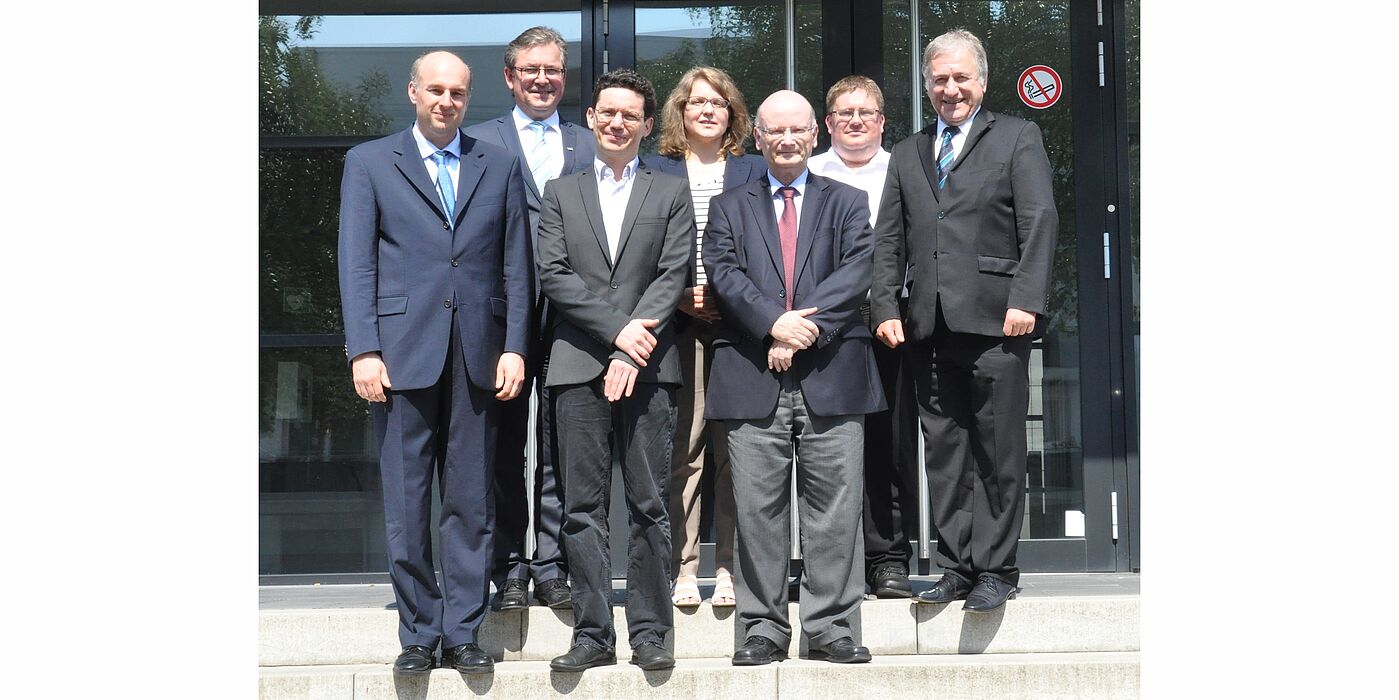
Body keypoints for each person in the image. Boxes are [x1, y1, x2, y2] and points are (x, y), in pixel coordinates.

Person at [337, 50, 531, 675]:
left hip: (479, 354)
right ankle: (418, 632)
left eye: (458, 92)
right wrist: (363, 349)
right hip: (399, 356)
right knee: (408, 498)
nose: (447, 101)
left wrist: (515, 345)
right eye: (436, 91)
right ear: (413, 93)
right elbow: (356, 262)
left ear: (469, 99)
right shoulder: (368, 162)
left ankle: (463, 630)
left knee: (472, 501)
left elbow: (516, 264)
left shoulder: (497, 164)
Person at [871, 29, 1057, 613]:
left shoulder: (1018, 137)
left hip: (999, 323)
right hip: (927, 325)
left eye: (960, 78)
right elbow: (887, 240)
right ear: (927, 86)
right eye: (939, 80)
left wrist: (1026, 299)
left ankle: (997, 568)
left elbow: (1040, 220)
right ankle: (956, 566)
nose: (950, 89)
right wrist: (884, 306)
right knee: (944, 453)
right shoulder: (908, 152)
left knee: (997, 451)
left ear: (981, 80)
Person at [703, 90, 884, 667]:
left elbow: (859, 270)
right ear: (758, 137)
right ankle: (762, 628)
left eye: (797, 131)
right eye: (774, 131)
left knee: (835, 507)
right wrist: (772, 326)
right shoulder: (728, 206)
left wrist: (801, 331)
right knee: (757, 510)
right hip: (753, 372)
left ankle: (830, 627)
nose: (786, 140)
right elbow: (724, 274)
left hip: (832, 372)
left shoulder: (849, 202)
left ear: (815, 135)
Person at [536, 69, 693, 673]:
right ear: (592, 118)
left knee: (652, 503)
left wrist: (632, 348)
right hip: (578, 365)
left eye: (630, 114)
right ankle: (594, 633)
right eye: (607, 112)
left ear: (648, 125)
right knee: (582, 506)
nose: (617, 122)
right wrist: (615, 332)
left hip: (650, 367)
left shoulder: (670, 189)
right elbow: (555, 274)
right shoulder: (561, 190)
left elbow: (673, 272)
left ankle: (651, 632)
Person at [464, 25, 596, 613]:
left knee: (560, 439)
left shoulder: (589, 142)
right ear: (510, 77)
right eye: (531, 70)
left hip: (573, 312)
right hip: (501, 311)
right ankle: (507, 566)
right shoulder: (475, 142)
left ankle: (552, 563)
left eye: (553, 70)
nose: (543, 80)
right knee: (502, 438)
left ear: (563, 79)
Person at [650, 66, 766, 610]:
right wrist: (678, 295)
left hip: (740, 329)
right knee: (687, 449)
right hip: (677, 327)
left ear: (732, 114)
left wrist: (733, 299)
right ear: (680, 110)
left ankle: (730, 568)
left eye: (718, 103)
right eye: (696, 101)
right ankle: (684, 566)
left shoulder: (755, 171)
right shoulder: (655, 170)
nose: (706, 110)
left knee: (736, 452)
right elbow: (643, 249)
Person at [808, 76, 916, 599]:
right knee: (817, 446)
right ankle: (822, 562)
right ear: (827, 124)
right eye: (844, 113)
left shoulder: (906, 171)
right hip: (823, 327)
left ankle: (888, 558)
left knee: (887, 444)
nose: (855, 120)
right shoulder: (807, 172)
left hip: (888, 323)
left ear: (881, 122)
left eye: (866, 113)